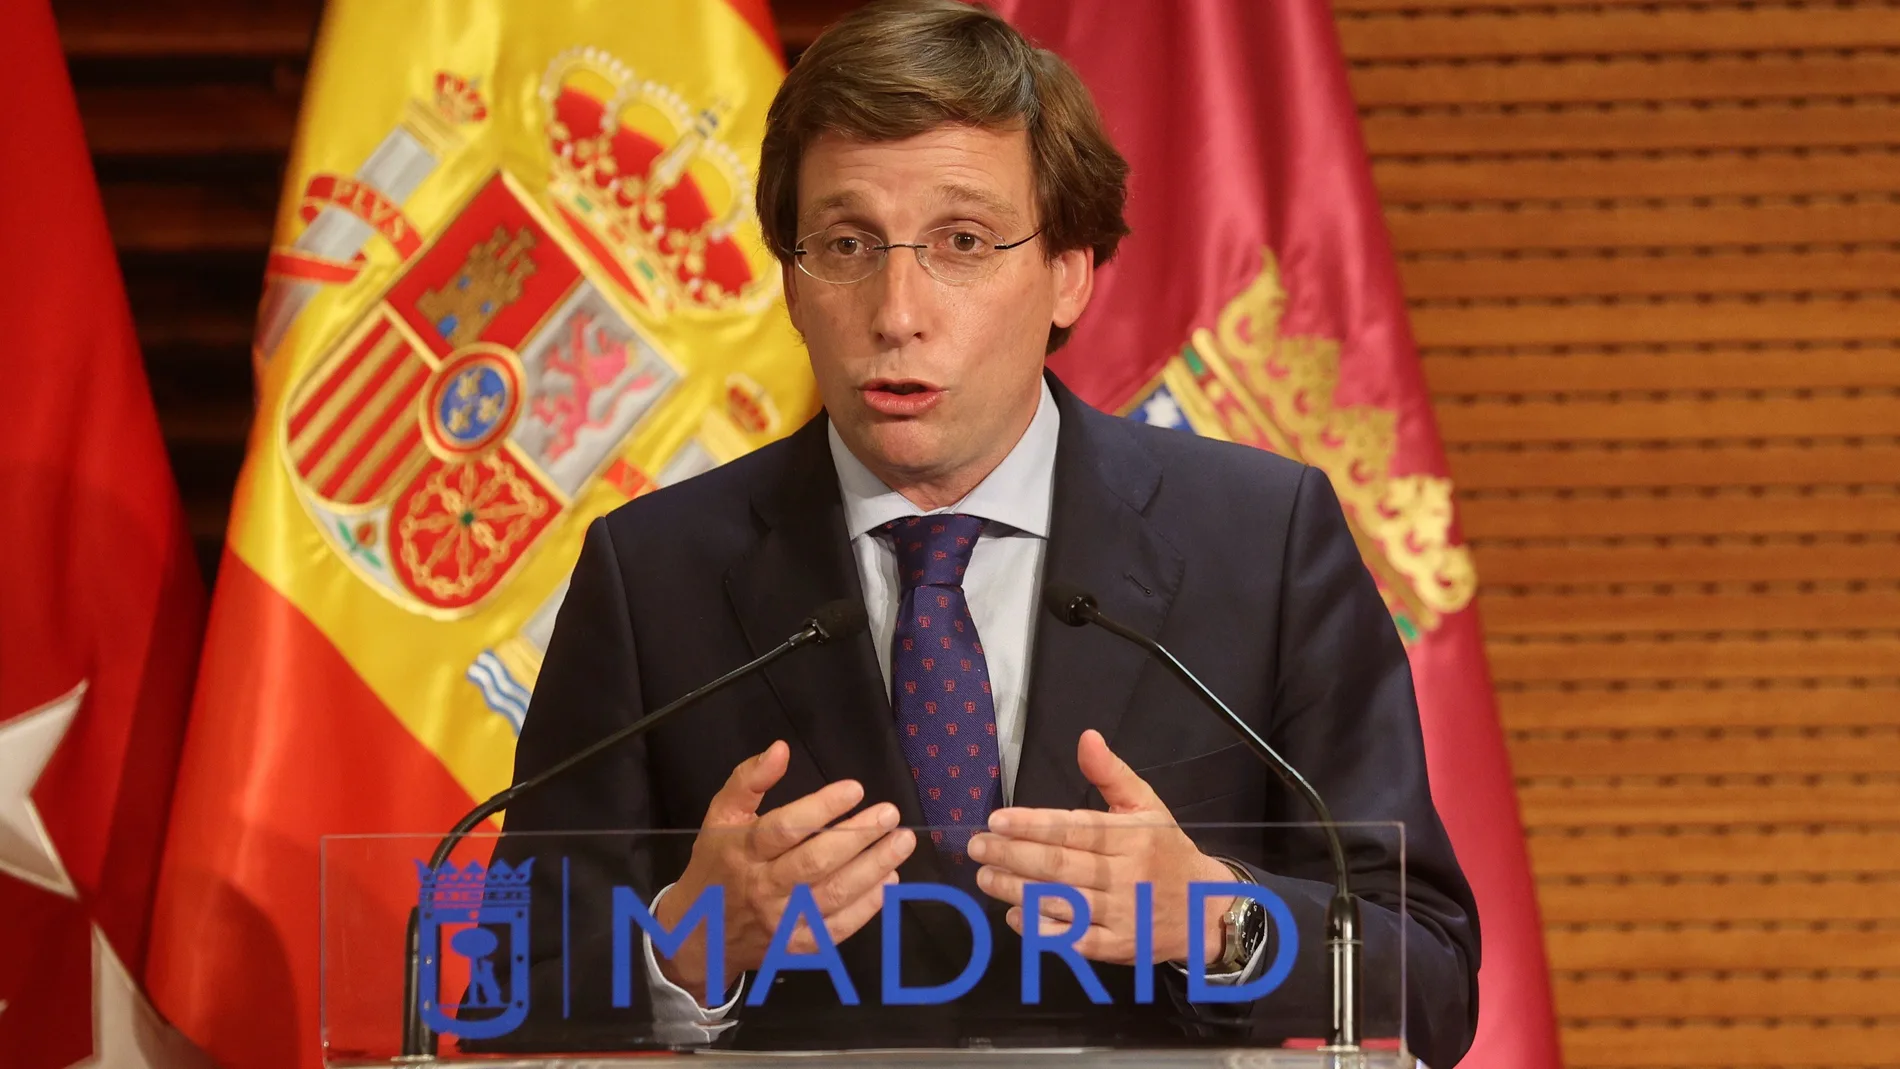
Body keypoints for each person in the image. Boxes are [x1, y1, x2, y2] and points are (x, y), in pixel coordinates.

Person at [494, 0, 1478, 1063]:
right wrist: (686, 949)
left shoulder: (1262, 540)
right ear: (789, 280)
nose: (896, 309)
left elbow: (1427, 975)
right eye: (845, 244)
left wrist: (1218, 919)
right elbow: (510, 983)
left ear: (1068, 271)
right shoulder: (655, 572)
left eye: (961, 242)